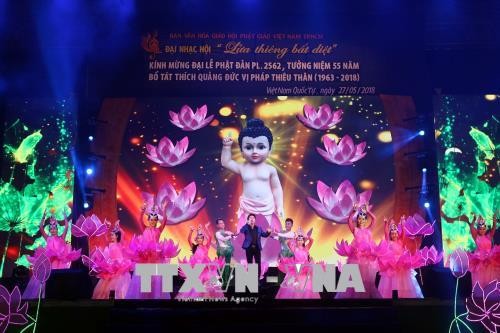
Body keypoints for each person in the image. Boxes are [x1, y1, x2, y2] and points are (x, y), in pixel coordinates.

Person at [221, 118, 282, 265]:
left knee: (266, 235)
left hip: (266, 207)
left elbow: (276, 188)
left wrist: (280, 206)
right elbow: (226, 162)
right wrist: (226, 147)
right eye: (249, 147)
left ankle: (269, 263)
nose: (255, 151)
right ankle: (249, 263)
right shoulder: (243, 167)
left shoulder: (270, 169)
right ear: (242, 150)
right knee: (247, 236)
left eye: (261, 147)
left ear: (270, 149)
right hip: (248, 208)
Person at [23, 209, 81, 299]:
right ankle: (44, 295)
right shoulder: (48, 238)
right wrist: (43, 217)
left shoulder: (62, 237)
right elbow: (41, 228)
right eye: (51, 229)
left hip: (59, 262)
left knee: (59, 278)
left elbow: (66, 226)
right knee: (47, 278)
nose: (53, 230)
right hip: (49, 262)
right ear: (49, 230)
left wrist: (65, 217)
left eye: (55, 229)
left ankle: (58, 294)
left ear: (57, 229)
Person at [126, 204, 179, 299]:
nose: (153, 221)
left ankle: (155, 297)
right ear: (148, 220)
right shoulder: (144, 228)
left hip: (156, 258)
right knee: (144, 279)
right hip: (145, 257)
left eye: (155, 220)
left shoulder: (159, 230)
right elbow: (139, 220)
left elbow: (165, 220)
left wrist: (164, 210)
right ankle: (144, 297)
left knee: (156, 279)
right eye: (151, 219)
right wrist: (142, 211)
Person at [335, 203, 381, 298]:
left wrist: (368, 211)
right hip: (356, 258)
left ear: (365, 220)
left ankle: (364, 297)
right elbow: (349, 220)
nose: (361, 220)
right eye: (359, 219)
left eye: (363, 219)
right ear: (357, 220)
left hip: (367, 258)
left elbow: (374, 219)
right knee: (355, 279)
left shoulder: (369, 230)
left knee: (367, 280)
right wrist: (353, 211)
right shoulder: (355, 230)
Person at [83, 222, 133, 299]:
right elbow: (108, 256)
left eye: (112, 235)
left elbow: (123, 235)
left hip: (121, 266)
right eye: (111, 235)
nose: (111, 237)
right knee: (109, 283)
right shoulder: (110, 245)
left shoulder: (120, 244)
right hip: (113, 265)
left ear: (116, 236)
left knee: (122, 282)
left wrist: (118, 227)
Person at [378, 217, 424, 298]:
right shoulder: (389, 242)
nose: (394, 235)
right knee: (391, 281)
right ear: (390, 235)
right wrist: (386, 223)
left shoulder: (401, 241)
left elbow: (404, 232)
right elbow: (385, 233)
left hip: (401, 263)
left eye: (395, 233)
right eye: (392, 233)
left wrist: (403, 224)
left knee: (403, 281)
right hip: (392, 264)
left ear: (397, 233)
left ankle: (404, 297)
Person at [176, 224, 225, 299]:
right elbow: (189, 240)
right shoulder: (194, 247)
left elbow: (210, 237)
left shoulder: (206, 246)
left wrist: (206, 228)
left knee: (211, 280)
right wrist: (191, 231)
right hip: (198, 268)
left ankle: (210, 296)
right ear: (196, 240)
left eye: (201, 238)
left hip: (206, 267)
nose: (200, 239)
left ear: (203, 239)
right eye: (198, 238)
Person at [275, 228, 320, 299]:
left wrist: (305, 236)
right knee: (293, 286)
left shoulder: (306, 248)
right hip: (295, 269)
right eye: (298, 240)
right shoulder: (294, 248)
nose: (300, 241)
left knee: (306, 287)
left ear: (303, 241)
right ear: (296, 241)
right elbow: (287, 242)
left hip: (305, 269)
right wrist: (294, 237)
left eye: (301, 240)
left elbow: (312, 240)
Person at [465, 212, 499, 288]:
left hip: (489, 259)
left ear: (486, 228)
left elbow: (494, 227)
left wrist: (494, 219)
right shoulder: (476, 237)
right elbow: (471, 227)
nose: (482, 230)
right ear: (477, 229)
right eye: (480, 229)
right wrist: (474, 219)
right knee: (480, 276)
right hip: (479, 260)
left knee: (490, 275)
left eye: (484, 229)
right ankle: (479, 292)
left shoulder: (489, 236)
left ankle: (490, 290)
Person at [239, 213, 272, 280]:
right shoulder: (246, 227)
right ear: (248, 220)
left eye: (253, 218)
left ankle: (258, 277)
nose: (252, 219)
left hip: (257, 247)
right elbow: (241, 231)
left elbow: (264, 235)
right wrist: (246, 224)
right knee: (250, 262)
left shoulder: (259, 228)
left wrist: (268, 232)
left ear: (255, 220)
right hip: (249, 247)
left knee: (258, 262)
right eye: (250, 218)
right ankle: (251, 276)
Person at [215, 218, 236, 288]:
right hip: (221, 251)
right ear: (217, 225)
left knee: (228, 265)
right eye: (220, 223)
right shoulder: (217, 233)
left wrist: (234, 235)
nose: (222, 224)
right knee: (222, 266)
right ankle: (223, 281)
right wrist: (231, 236)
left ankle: (226, 281)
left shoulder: (227, 232)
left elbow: (234, 236)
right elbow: (223, 239)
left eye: (223, 223)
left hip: (228, 251)